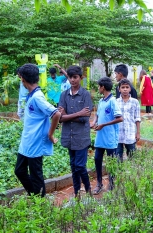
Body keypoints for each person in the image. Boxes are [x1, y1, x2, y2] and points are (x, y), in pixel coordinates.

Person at [14, 63, 61, 197]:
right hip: (27, 140)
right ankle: (34, 195)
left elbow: (56, 114)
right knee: (19, 170)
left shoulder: (37, 97)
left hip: (36, 141)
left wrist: (50, 134)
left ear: (22, 79)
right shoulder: (31, 95)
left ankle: (40, 202)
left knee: (36, 175)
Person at [58, 65, 93, 199]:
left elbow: (85, 118)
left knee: (79, 166)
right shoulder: (64, 95)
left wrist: (67, 115)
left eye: (75, 77)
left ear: (80, 78)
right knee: (73, 166)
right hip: (69, 137)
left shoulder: (85, 95)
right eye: (70, 77)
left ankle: (88, 190)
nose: (72, 80)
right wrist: (76, 114)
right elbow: (60, 118)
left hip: (81, 138)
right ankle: (77, 193)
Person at [90, 77, 123, 195]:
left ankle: (112, 184)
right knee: (97, 159)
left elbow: (120, 118)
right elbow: (97, 115)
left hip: (110, 138)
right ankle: (99, 183)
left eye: (99, 86)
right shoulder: (101, 101)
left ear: (102, 87)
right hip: (100, 137)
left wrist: (104, 124)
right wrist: (94, 122)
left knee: (111, 162)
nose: (98, 89)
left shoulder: (113, 101)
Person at [117, 79, 141, 161]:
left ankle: (131, 173)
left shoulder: (135, 102)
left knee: (132, 156)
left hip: (130, 133)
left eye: (127, 87)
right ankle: (118, 173)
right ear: (119, 89)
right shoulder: (115, 102)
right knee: (117, 157)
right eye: (122, 87)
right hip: (118, 134)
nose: (125, 89)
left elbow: (137, 118)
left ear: (130, 89)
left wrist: (138, 133)